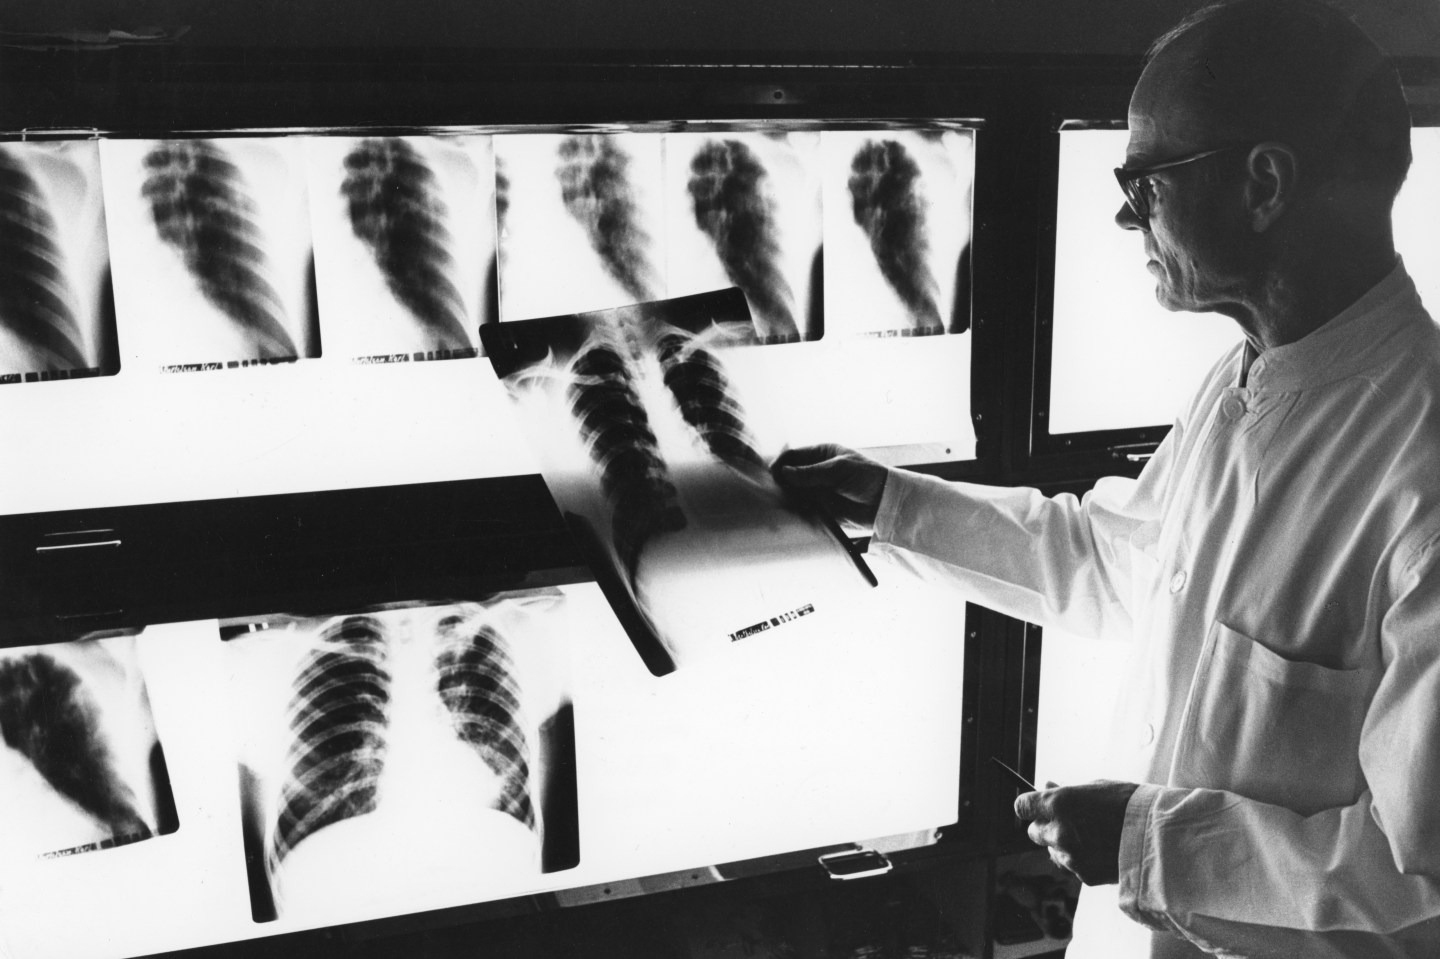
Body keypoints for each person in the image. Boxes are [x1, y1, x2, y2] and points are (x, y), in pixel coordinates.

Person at [773, 0, 1440, 955]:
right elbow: (1117, 558)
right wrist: (888, 503)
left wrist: (1144, 838)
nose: (1126, 210)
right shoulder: (1246, 376)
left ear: (1264, 184)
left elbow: (1419, 873)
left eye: (1147, 177)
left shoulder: (1424, 478)